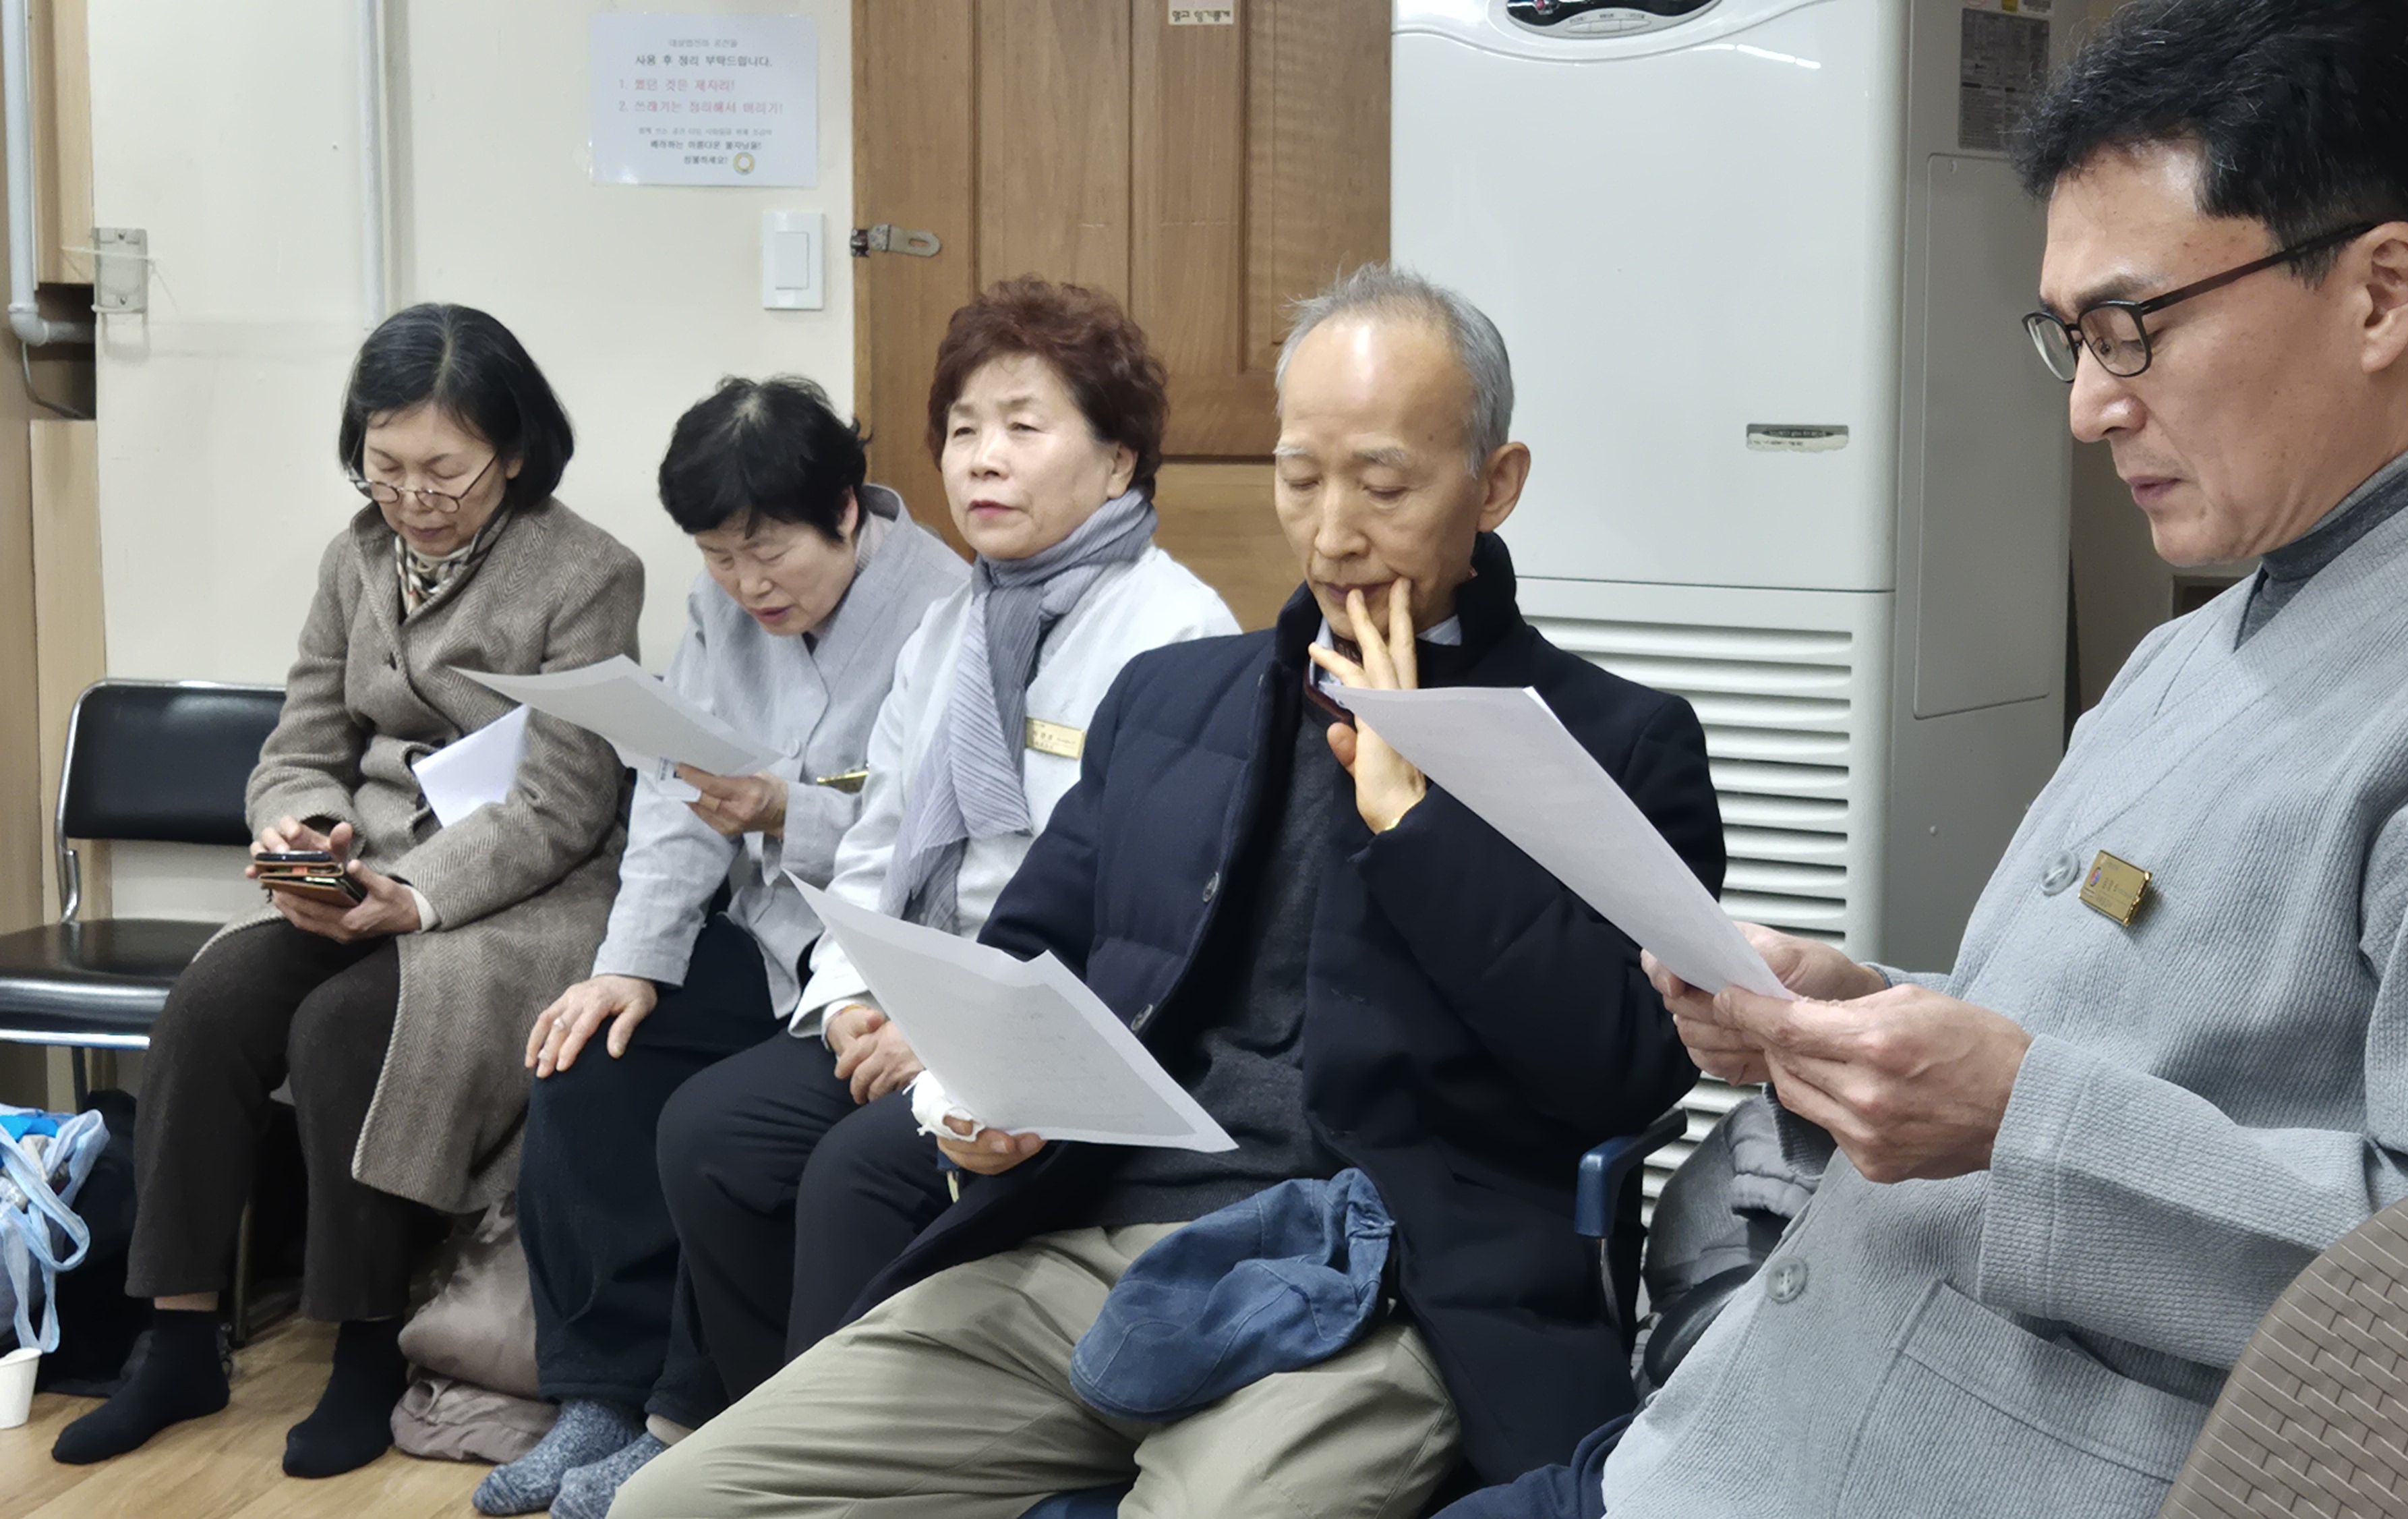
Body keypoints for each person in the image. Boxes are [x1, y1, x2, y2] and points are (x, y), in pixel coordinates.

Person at [1446, 4, 2408, 1517]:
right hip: (1746, 1432)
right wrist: (1864, 1013)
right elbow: (2136, 1038)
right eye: (2071, 339)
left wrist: (2016, 1119)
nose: (2091, 405)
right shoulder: (2211, 631)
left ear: (2378, 290)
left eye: (2130, 329)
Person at [612, 264, 1726, 1519]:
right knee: (676, 1505)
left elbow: (1619, 1073)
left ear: (1497, 484)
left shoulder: (1614, 741)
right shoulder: (1176, 696)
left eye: (1385, 486)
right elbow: (1023, 959)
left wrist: (1418, 824)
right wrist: (980, 1097)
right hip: (1100, 1247)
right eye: (1300, 478)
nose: (1334, 534)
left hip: (1390, 1288)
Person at [618, 275, 1237, 1500]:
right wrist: (851, 998)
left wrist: (955, 1031)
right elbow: (878, 846)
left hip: (1056, 1035)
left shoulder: (1177, 637)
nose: (981, 460)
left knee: (857, 1172)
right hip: (916, 1001)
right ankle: (756, 1436)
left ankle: (851, 1480)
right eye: (962, 429)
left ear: (1119, 463)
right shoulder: (955, 626)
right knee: (711, 1132)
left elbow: (1143, 921)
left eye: (1022, 426)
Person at [53, 304, 645, 1478]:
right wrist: (296, 827)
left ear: (513, 450)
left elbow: (566, 803)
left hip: (524, 894)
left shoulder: (588, 572)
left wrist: (412, 896)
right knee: (212, 1004)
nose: (413, 496)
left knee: (344, 1031)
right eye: (386, 465)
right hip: (360, 862)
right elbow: (301, 741)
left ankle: (364, 1344)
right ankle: (177, 1339)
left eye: (444, 470)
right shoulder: (356, 556)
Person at [484, 376, 964, 1519]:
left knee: (730, 1126)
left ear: (845, 510)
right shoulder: (722, 610)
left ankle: (688, 1420)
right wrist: (630, 964)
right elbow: (675, 790)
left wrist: (789, 807)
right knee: (587, 1061)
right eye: (718, 557)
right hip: (761, 930)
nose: (749, 586)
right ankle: (598, 1394)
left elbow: (923, 824)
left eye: (769, 551)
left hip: (878, 954)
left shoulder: (946, 605)